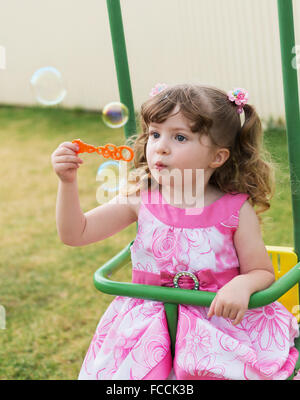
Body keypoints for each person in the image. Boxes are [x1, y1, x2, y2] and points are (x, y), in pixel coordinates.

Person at [51, 83, 299, 380]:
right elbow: (76, 233)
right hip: (146, 331)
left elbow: (261, 271)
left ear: (217, 157)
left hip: (214, 324)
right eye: (155, 134)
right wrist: (67, 183)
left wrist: (242, 285)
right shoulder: (140, 198)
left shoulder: (234, 209)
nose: (160, 146)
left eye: (179, 137)